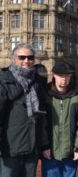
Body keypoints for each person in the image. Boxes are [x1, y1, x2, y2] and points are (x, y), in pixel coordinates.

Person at [0, 43, 49, 177]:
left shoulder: (38, 81)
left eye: (30, 57)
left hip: (32, 147)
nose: (26, 61)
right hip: (10, 148)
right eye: (22, 57)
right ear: (13, 58)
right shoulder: (4, 80)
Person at [42, 61, 78, 177]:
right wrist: (44, 145)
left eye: (67, 76)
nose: (64, 79)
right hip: (50, 152)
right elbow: (41, 123)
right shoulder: (45, 95)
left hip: (71, 152)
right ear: (54, 75)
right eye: (61, 76)